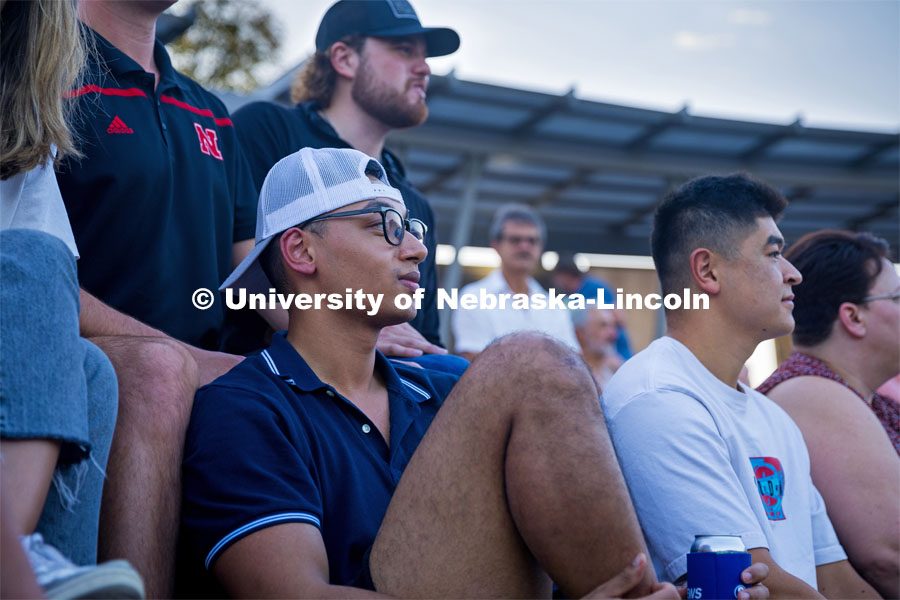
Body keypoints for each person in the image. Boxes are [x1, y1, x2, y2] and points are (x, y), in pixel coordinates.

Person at [178, 147, 771, 599]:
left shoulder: (443, 389)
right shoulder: (244, 408)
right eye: (382, 226)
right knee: (531, 359)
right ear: (302, 253)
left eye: (412, 229)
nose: (414, 250)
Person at [54, 1, 257, 595]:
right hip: (90, 363)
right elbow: (31, 273)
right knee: (160, 372)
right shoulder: (40, 80)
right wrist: (186, 359)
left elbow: (249, 274)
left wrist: (347, 322)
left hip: (207, 371)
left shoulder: (210, 110)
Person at [601, 173, 878, 598]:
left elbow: (834, 577)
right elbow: (744, 577)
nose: (793, 274)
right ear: (707, 271)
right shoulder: (657, 397)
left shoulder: (773, 418)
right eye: (773, 253)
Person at [0, 0, 142, 597]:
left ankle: (39, 560)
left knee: (93, 373)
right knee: (35, 261)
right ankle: (16, 558)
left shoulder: (22, 113)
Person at [231, 0, 457, 360]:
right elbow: (236, 254)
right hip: (277, 389)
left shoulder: (414, 204)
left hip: (393, 391)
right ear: (345, 59)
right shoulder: (269, 130)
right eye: (403, 50)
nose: (424, 68)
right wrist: (348, 337)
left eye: (426, 56)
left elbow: (424, 334)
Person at [756, 230, 899, 598]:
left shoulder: (848, 393)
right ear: (853, 317)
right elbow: (889, 554)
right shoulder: (811, 392)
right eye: (897, 297)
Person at [451, 203, 580, 360]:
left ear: (541, 248)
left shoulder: (554, 306)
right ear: (496, 245)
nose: (524, 247)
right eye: (515, 240)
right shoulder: (472, 297)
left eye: (532, 241)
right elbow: (474, 362)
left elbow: (574, 361)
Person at [552, 253, 633, 359]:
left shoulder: (596, 287)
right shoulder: (566, 297)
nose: (555, 281)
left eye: (557, 277)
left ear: (565, 275)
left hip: (615, 349)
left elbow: (619, 318)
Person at [571, 307, 624, 391]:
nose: (613, 335)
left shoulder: (616, 372)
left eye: (613, 326)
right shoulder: (571, 375)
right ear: (580, 333)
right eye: (603, 326)